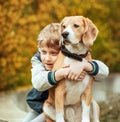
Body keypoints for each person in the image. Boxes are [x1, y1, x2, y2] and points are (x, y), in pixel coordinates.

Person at [23, 23, 109, 122]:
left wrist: (85, 66)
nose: (47, 59)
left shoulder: (74, 59)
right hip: (42, 106)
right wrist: (61, 73)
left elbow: (104, 72)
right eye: (43, 52)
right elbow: (38, 82)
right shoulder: (37, 60)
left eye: (53, 53)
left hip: (67, 108)